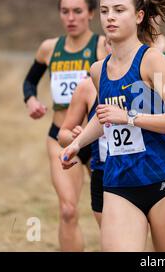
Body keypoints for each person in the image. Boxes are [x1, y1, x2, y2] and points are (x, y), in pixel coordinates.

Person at [60, 0, 165, 252]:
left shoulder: (153, 60)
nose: (110, 17)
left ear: (138, 16)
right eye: (105, 11)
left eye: (119, 10)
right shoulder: (98, 70)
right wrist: (77, 143)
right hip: (119, 183)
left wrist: (131, 118)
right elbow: (106, 116)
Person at [22, 0, 107, 251]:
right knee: (68, 210)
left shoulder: (103, 46)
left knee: (109, 216)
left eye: (77, 11)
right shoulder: (50, 48)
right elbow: (29, 81)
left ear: (91, 13)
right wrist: (31, 100)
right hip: (61, 135)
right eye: (65, 11)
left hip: (97, 139)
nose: (71, 17)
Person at [58, 78, 106, 226]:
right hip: (104, 174)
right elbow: (62, 135)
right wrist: (78, 137)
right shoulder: (87, 87)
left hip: (143, 170)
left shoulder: (145, 76)